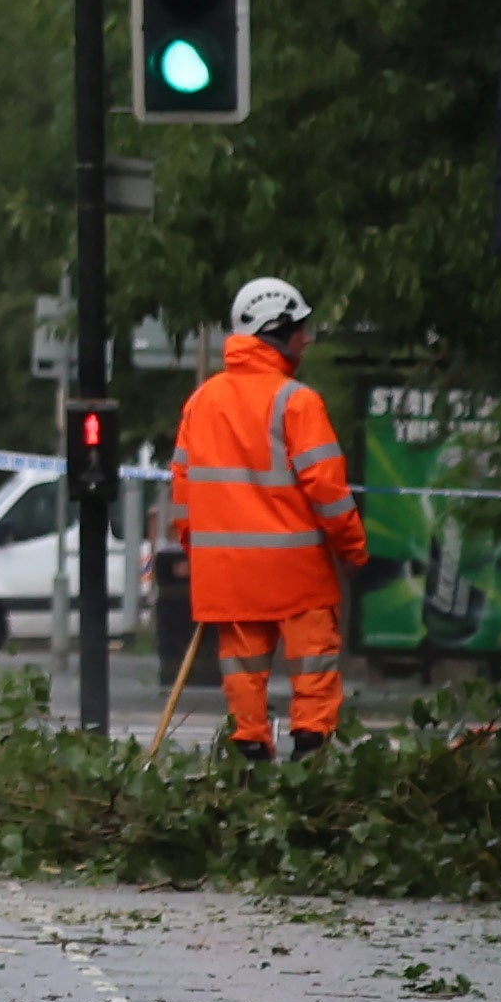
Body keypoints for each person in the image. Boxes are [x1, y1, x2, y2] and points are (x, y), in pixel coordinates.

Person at [173, 276, 365, 759]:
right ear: (276, 330)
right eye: (300, 327)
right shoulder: (296, 402)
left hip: (231, 576)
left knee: (243, 678)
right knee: (313, 670)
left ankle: (250, 765)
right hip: (297, 573)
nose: (307, 337)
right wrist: (353, 549)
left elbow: (183, 494)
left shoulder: (200, 403)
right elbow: (329, 491)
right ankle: (309, 763)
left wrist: (203, 552)